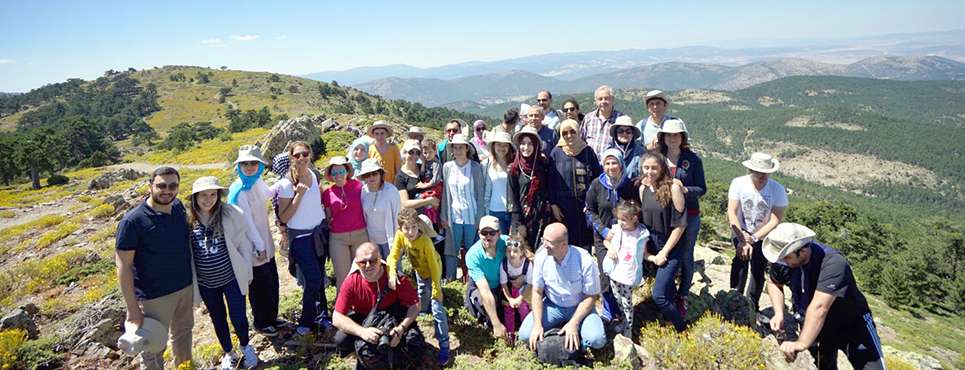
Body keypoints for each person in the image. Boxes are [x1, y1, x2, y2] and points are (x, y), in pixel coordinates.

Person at [763, 223, 885, 370]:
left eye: (786, 257)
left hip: (854, 325)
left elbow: (820, 307)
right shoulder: (784, 263)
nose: (783, 262)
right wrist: (779, 313)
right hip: (816, 326)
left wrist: (801, 343)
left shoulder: (833, 263)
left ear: (802, 251)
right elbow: (774, 283)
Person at [116, 167, 194, 370]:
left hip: (184, 288)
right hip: (153, 297)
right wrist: (132, 308)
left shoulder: (178, 207)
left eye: (172, 186)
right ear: (150, 186)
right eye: (161, 185)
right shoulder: (133, 221)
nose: (167, 190)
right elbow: (123, 265)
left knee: (184, 335)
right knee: (152, 347)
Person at [187, 177, 262, 370]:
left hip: (231, 278)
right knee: (218, 319)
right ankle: (229, 352)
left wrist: (247, 269)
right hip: (206, 283)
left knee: (238, 317)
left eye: (213, 194)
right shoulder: (187, 221)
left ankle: (246, 347)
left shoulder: (230, 214)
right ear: (195, 197)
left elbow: (243, 244)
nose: (208, 199)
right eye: (203, 195)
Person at [332, 243, 427, 368]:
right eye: (362, 262)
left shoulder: (394, 277)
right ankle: (362, 352)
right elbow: (337, 317)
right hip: (365, 318)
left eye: (373, 261)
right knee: (341, 339)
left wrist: (401, 329)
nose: (368, 266)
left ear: (380, 259)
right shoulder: (351, 282)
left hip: (392, 315)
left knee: (412, 342)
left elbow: (415, 305)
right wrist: (362, 332)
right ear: (356, 262)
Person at [520, 223, 606, 352]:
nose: (544, 245)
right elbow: (537, 292)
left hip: (579, 306)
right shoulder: (541, 257)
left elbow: (591, 296)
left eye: (549, 242)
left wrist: (574, 323)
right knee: (525, 335)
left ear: (563, 244)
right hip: (553, 305)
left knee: (597, 340)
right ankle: (561, 336)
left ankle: (576, 344)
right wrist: (537, 324)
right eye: (544, 240)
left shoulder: (584, 260)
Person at [227, 145, 282, 337]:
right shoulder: (239, 189)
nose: (249, 167)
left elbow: (266, 194)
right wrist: (259, 246)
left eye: (253, 163)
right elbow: (246, 222)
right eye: (245, 163)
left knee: (273, 280)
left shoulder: (256, 181)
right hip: (252, 244)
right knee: (260, 285)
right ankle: (261, 322)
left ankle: (272, 317)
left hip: (265, 240)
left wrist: (283, 184)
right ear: (239, 166)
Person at [276, 141, 330, 335]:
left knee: (319, 276)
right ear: (291, 158)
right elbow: (284, 217)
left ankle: (322, 315)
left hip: (319, 234)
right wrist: (299, 193)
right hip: (301, 239)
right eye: (297, 155)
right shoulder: (285, 184)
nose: (301, 158)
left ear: (310, 155)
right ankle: (306, 321)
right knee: (313, 279)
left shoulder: (314, 176)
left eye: (305, 154)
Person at [386, 209, 450, 365]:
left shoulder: (425, 242)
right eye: (406, 228)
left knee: (437, 309)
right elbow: (392, 256)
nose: (410, 231)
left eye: (413, 227)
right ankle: (423, 309)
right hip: (419, 270)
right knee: (422, 291)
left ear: (418, 226)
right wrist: (392, 273)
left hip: (433, 270)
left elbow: (434, 269)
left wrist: (437, 289)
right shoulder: (401, 236)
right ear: (400, 228)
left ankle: (444, 345)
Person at [655, 119, 706, 317]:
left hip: (690, 215)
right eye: (668, 135)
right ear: (663, 137)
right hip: (664, 215)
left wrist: (684, 189)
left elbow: (702, 188)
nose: (672, 138)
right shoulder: (658, 158)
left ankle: (683, 294)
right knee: (665, 250)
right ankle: (666, 289)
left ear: (682, 137)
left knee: (686, 254)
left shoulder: (692, 159)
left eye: (676, 135)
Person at [728, 152, 788, 309]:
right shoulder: (739, 183)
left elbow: (775, 220)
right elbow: (732, 212)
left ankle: (752, 304)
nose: (762, 176)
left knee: (758, 267)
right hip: (740, 229)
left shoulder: (777, 189)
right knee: (741, 259)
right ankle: (735, 296)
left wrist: (753, 239)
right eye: (759, 172)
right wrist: (742, 239)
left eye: (765, 173)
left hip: (764, 235)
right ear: (751, 170)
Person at [584, 148, 637, 325]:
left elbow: (636, 209)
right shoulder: (596, 185)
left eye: (614, 162)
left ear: (621, 164)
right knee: (606, 274)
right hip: (603, 238)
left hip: (625, 239)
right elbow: (589, 211)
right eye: (607, 163)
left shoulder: (628, 185)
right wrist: (604, 231)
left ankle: (624, 312)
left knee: (622, 275)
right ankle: (609, 310)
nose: (611, 166)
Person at [638, 152, 688, 331]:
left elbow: (680, 226)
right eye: (646, 167)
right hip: (653, 246)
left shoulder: (673, 188)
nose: (650, 171)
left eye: (654, 167)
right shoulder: (643, 189)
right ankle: (668, 320)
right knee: (667, 291)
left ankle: (682, 327)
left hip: (671, 247)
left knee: (659, 295)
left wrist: (664, 253)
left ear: (662, 168)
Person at [548, 119, 602, 250]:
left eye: (572, 131)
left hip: (585, 205)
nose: (569, 135)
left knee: (585, 243)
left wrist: (594, 204)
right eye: (565, 133)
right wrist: (554, 205)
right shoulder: (556, 153)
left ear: (578, 132)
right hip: (564, 207)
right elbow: (550, 181)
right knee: (567, 242)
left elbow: (597, 178)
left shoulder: (588, 151)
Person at [440, 134, 486, 281]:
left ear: (467, 148)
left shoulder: (475, 168)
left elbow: (480, 195)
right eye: (455, 147)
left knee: (472, 250)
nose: (458, 150)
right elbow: (446, 194)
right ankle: (451, 280)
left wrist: (480, 218)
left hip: (472, 216)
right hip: (454, 215)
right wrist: (443, 215)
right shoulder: (447, 167)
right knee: (451, 251)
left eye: (461, 147)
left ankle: (471, 281)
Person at [601, 200, 648, 337]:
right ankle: (623, 321)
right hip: (615, 272)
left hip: (628, 274)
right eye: (619, 219)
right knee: (617, 298)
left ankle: (628, 330)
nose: (621, 222)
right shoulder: (616, 229)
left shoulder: (641, 234)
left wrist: (655, 258)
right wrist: (610, 249)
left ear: (634, 219)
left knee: (627, 303)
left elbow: (644, 254)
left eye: (624, 220)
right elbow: (605, 241)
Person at [323, 156, 369, 291]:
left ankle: (365, 305)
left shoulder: (358, 186)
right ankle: (344, 309)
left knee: (363, 272)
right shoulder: (327, 193)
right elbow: (328, 216)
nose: (338, 176)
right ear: (331, 175)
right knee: (342, 276)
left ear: (347, 171)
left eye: (341, 171)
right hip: (338, 238)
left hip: (360, 234)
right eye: (334, 173)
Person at [464, 216, 509, 339]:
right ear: (479, 233)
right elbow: (485, 292)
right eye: (484, 233)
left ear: (499, 233)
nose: (488, 236)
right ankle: (487, 325)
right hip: (482, 288)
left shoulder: (506, 242)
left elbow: (522, 248)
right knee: (486, 304)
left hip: (501, 285)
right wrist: (496, 324)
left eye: (492, 233)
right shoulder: (472, 255)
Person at [508, 127, 552, 249]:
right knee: (519, 253)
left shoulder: (543, 165)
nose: (526, 147)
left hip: (541, 218)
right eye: (522, 143)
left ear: (536, 145)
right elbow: (513, 197)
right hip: (521, 218)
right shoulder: (514, 169)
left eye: (530, 143)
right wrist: (519, 224)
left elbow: (548, 190)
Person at [359, 158, 402, 265]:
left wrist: (398, 242)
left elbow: (398, 217)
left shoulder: (391, 190)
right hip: (372, 240)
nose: (371, 177)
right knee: (378, 272)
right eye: (368, 174)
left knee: (394, 270)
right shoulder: (363, 192)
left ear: (381, 174)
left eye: (375, 173)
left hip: (390, 240)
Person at [500, 234, 533, 345]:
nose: (511, 254)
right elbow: (504, 284)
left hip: (524, 291)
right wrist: (510, 299)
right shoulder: (504, 264)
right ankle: (510, 334)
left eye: (515, 251)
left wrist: (520, 298)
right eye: (508, 251)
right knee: (508, 309)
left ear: (522, 253)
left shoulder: (527, 264)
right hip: (510, 290)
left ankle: (526, 333)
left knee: (523, 308)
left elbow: (529, 284)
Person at [482, 132, 515, 234]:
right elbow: (483, 188)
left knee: (510, 242)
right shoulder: (486, 165)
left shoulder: (514, 164)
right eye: (499, 144)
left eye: (505, 145)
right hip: (493, 209)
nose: (502, 148)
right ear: (493, 146)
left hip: (511, 211)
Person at [581, 85, 624, 159]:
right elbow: (581, 140)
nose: (603, 101)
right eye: (600, 99)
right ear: (596, 101)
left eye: (606, 98)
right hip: (590, 165)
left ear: (612, 99)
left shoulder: (621, 119)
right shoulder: (588, 118)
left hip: (611, 166)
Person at [396, 139, 440, 212]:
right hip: (413, 217)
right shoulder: (400, 177)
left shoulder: (424, 168)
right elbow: (405, 203)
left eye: (417, 153)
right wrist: (428, 201)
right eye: (411, 152)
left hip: (430, 214)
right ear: (404, 153)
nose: (414, 155)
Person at [607, 115, 645, 180]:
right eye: (620, 131)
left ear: (633, 134)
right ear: (616, 133)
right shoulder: (608, 151)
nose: (624, 134)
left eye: (628, 131)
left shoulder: (641, 152)